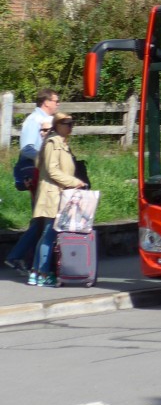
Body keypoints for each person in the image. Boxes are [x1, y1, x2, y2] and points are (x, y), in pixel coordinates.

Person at [29, 112, 87, 287]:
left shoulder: (60, 142)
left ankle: (37, 273)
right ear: (57, 125)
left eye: (72, 123)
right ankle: (42, 273)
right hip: (52, 194)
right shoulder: (53, 142)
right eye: (66, 123)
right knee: (49, 235)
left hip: (57, 193)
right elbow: (52, 170)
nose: (70, 126)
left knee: (48, 234)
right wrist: (75, 182)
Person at [4, 115, 54, 272]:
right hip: (40, 187)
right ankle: (26, 262)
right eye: (43, 130)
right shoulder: (38, 139)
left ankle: (24, 260)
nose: (43, 132)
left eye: (46, 130)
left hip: (40, 185)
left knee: (39, 223)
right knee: (40, 223)